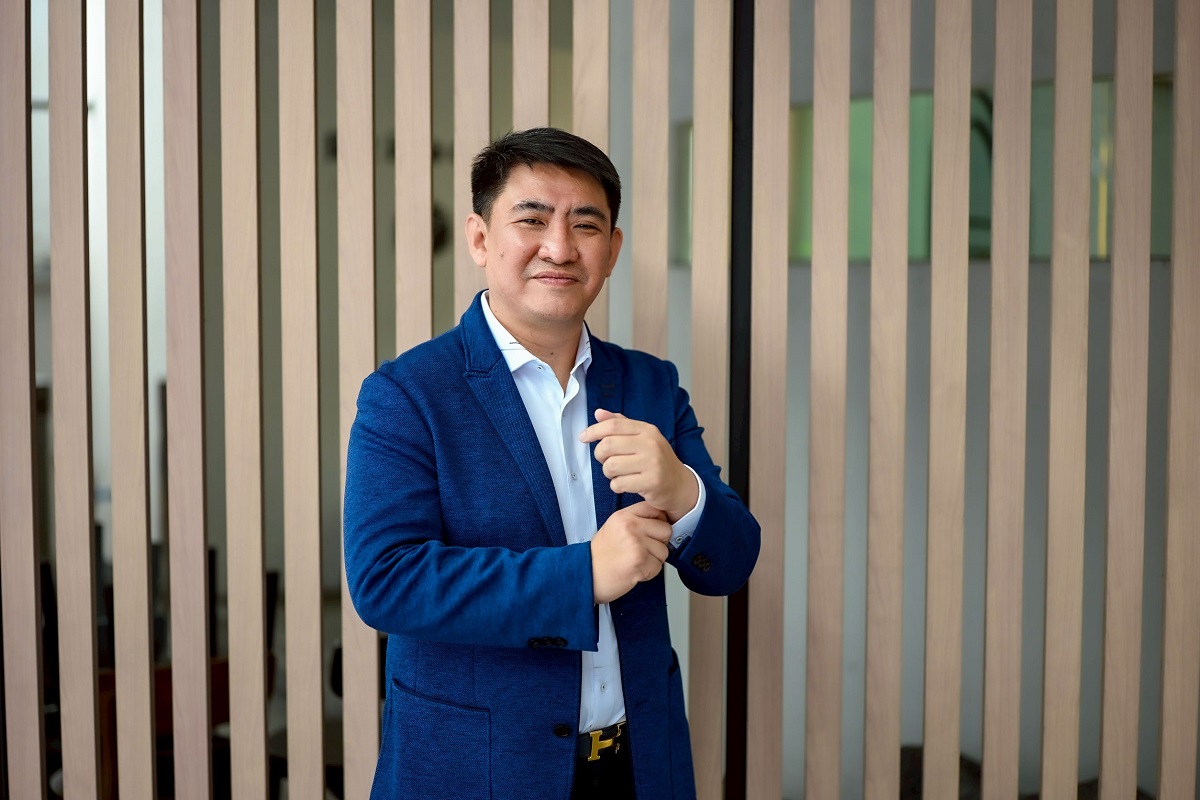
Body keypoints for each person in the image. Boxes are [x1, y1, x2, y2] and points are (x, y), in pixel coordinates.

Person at [344, 127, 760, 799]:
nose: (560, 247)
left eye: (585, 225)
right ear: (481, 239)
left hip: (638, 765)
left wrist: (684, 492)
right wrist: (584, 574)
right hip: (480, 772)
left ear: (612, 250)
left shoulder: (651, 386)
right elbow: (385, 581)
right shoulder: (408, 394)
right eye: (532, 220)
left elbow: (732, 563)